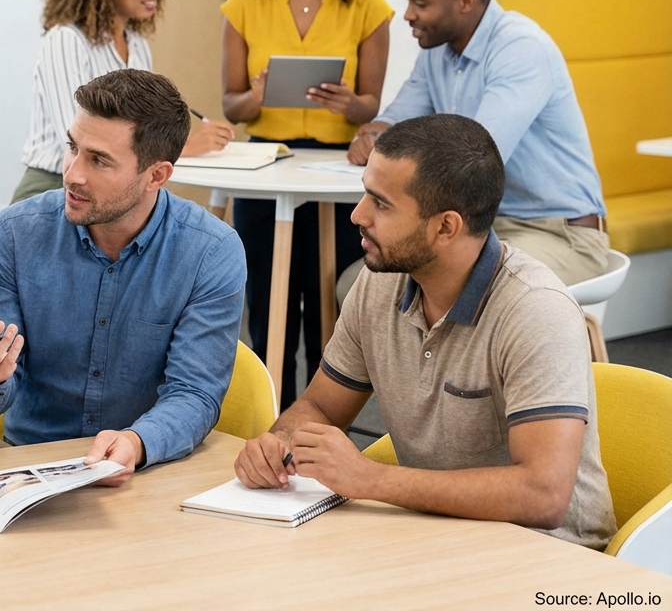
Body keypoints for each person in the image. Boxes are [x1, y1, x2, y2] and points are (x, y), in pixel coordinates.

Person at [235, 114, 616, 550]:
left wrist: (371, 479)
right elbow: (320, 406)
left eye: (381, 204)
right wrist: (278, 443)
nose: (358, 215)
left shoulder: (535, 310)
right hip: (437, 534)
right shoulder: (379, 282)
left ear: (445, 227)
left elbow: (542, 495)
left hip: (554, 556)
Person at [0, 69, 246, 486]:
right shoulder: (16, 234)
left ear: (156, 176)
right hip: (31, 467)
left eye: (99, 160)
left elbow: (195, 394)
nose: (72, 173)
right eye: (73, 148)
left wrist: (137, 442)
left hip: (148, 469)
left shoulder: (210, 252)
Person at [345, 0, 607, 292]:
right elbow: (392, 125)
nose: (408, 14)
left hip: (559, 233)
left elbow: (476, 163)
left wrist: (389, 147)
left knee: (466, 289)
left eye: (420, 3)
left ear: (465, 1)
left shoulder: (521, 48)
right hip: (480, 229)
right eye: (409, 1)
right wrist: (373, 137)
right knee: (361, 287)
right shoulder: (436, 51)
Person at [220, 0, 392, 408]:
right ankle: (273, 419)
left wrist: (348, 104)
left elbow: (370, 104)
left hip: (338, 172)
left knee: (329, 310)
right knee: (268, 302)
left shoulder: (368, 6)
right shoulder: (245, 4)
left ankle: (323, 427)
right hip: (266, 163)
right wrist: (259, 94)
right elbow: (230, 104)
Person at [14, 0, 235, 203]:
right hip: (59, 188)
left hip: (116, 186)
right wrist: (184, 147)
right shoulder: (66, 39)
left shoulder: (138, 45)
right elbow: (79, 141)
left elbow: (146, 125)